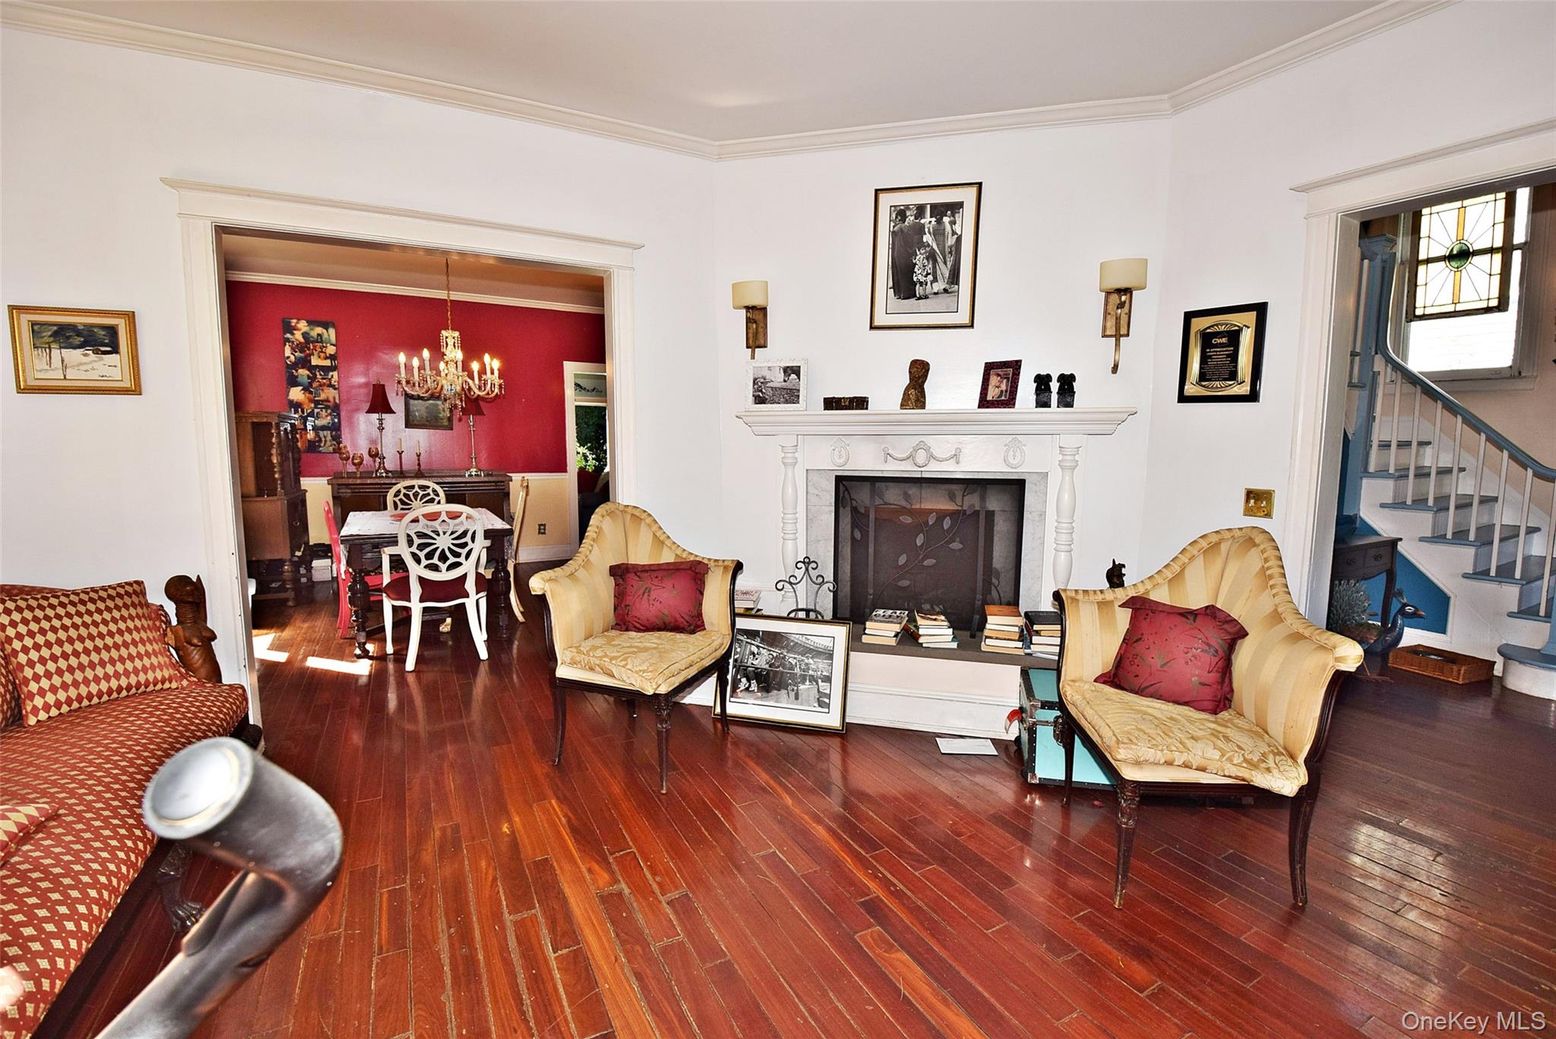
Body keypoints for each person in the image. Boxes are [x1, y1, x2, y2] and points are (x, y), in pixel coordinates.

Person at [889, 207, 919, 300]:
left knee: (898, 273)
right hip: (905, 253)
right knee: (907, 273)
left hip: (896, 253)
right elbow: (909, 242)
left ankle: (899, 293)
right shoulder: (905, 227)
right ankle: (907, 293)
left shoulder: (895, 228)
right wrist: (913, 252)